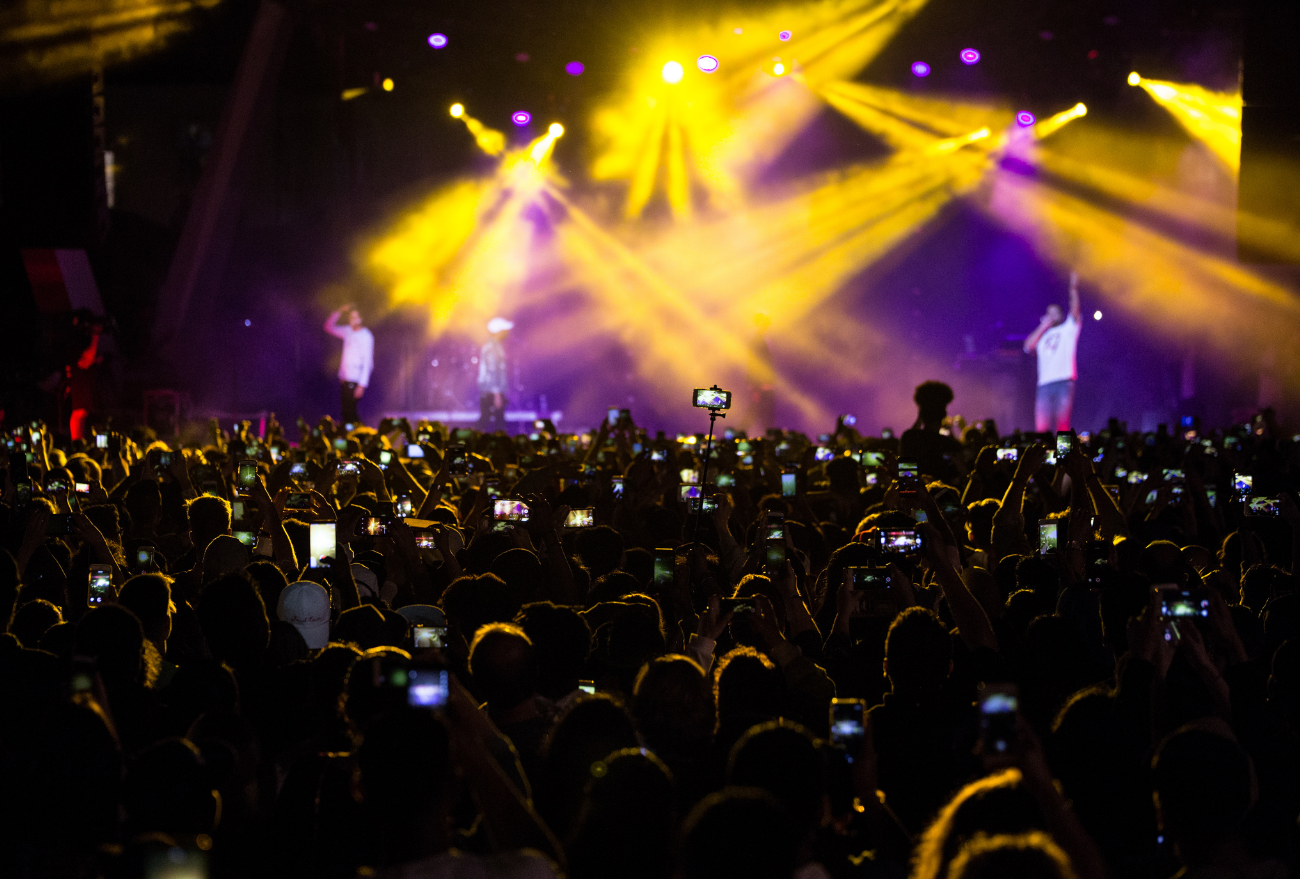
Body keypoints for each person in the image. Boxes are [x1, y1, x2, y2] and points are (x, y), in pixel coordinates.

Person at [1023, 272, 1082, 432]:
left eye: (1055, 312)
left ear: (1061, 315)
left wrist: (1073, 288)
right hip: (1044, 385)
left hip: (1063, 382)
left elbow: (1075, 308)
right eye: (1049, 312)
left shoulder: (1068, 328)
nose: (1052, 315)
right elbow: (1027, 346)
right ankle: (1044, 455)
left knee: (1063, 425)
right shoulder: (1042, 336)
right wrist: (1043, 326)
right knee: (1042, 427)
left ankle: (1064, 455)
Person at [323, 303, 374, 426]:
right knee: (346, 413)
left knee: (351, 412)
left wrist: (362, 385)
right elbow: (328, 327)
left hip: (355, 380)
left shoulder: (366, 336)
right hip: (345, 379)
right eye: (350, 317)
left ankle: (360, 436)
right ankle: (351, 436)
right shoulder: (347, 331)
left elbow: (368, 362)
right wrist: (339, 311)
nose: (352, 320)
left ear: (361, 319)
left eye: (355, 317)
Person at [479, 316, 512, 432]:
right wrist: (497, 394)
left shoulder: (494, 346)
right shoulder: (493, 348)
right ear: (498, 332)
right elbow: (492, 371)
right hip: (492, 392)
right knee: (494, 421)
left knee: (488, 419)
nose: (506, 333)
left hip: (491, 391)